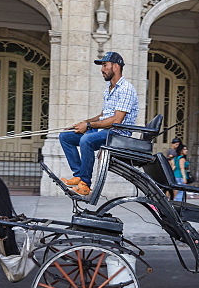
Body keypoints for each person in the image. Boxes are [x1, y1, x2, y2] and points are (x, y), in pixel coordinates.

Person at [59, 52, 139, 197]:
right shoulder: (109, 89)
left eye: (104, 65)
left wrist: (89, 127)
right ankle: (79, 175)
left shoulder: (126, 89)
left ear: (115, 67)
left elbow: (116, 121)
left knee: (86, 139)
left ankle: (85, 184)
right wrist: (85, 122)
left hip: (118, 134)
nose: (102, 69)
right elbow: (103, 115)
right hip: (104, 131)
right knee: (65, 137)